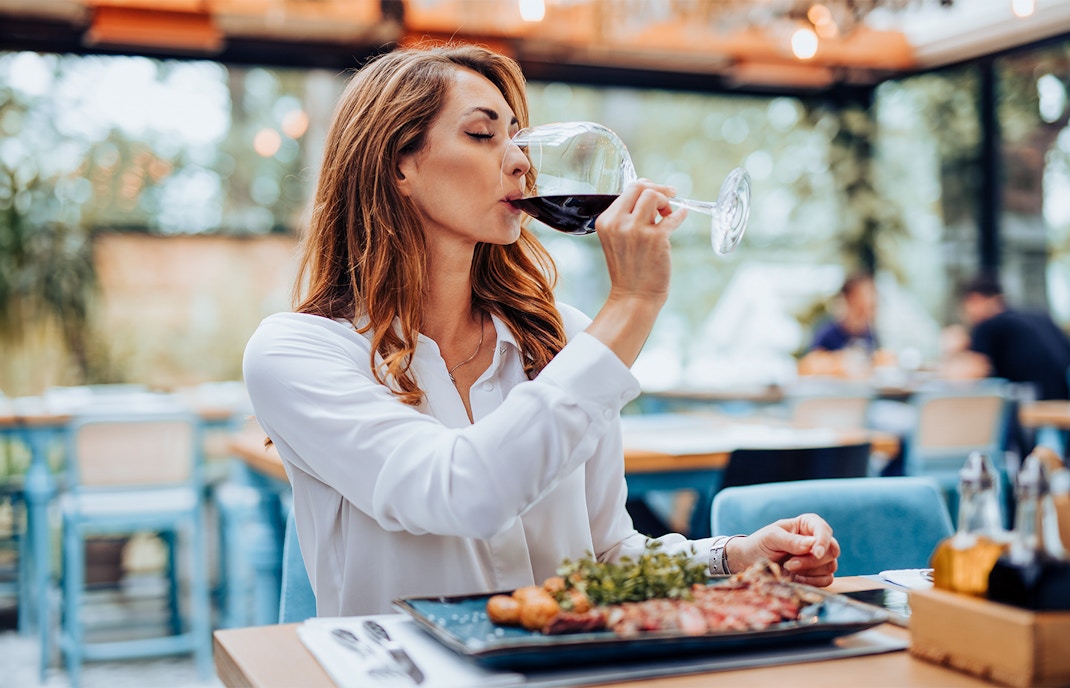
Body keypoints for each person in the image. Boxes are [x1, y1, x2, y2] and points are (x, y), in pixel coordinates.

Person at [242, 43, 840, 618]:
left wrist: (733, 557)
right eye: (482, 135)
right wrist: (632, 303)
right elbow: (463, 492)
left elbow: (605, 557)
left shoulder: (561, 338)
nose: (522, 161)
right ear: (398, 163)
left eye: (517, 137)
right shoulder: (299, 351)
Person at [949, 274, 1070, 401]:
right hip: (1063, 399)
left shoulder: (989, 325)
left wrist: (955, 351)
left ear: (974, 299)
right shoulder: (1038, 316)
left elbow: (965, 378)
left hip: (1033, 405)